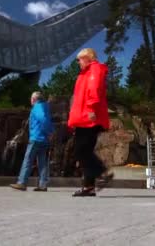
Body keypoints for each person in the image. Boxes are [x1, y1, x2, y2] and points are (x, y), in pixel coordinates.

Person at [68, 48, 112, 197]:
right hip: (84, 117)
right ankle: (89, 187)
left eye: (79, 59)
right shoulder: (87, 72)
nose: (78, 62)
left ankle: (103, 173)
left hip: (89, 117)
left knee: (81, 150)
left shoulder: (94, 69)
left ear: (87, 58)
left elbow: (94, 89)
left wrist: (92, 108)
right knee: (85, 151)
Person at [10, 92, 54, 191]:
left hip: (36, 138)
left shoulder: (37, 107)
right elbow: (47, 120)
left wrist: (49, 132)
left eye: (31, 98)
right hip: (44, 139)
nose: (30, 100)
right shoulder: (45, 106)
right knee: (43, 162)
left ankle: (22, 183)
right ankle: (43, 185)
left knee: (28, 160)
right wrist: (50, 132)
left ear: (34, 99)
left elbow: (43, 119)